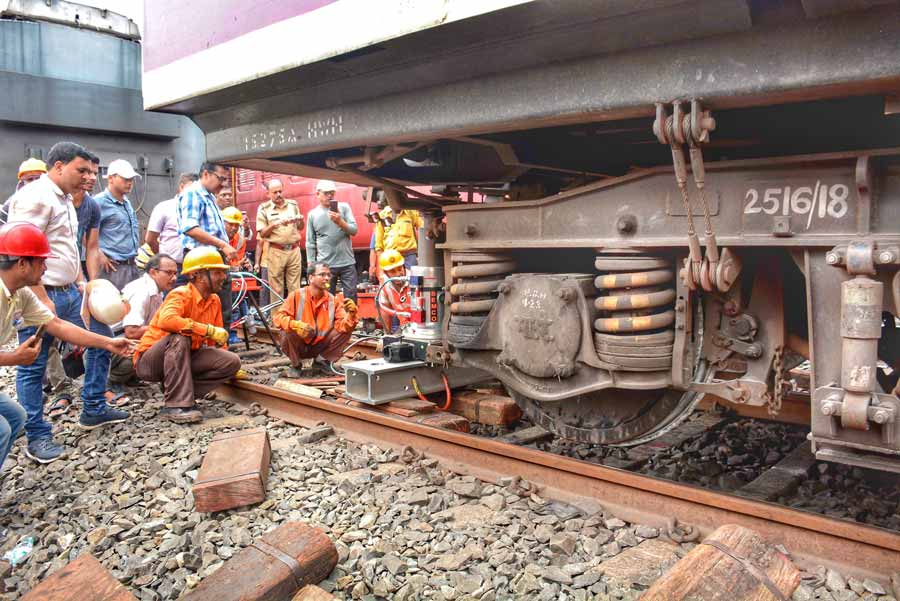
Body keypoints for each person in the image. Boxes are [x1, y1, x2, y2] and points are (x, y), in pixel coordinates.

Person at [7, 142, 134, 463]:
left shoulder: (67, 200)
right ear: (59, 166)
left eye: (92, 171)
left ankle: (92, 406)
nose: (89, 177)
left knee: (103, 340)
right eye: (82, 170)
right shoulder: (34, 196)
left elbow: (69, 249)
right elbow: (21, 251)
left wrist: (84, 285)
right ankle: (36, 435)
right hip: (39, 294)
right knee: (32, 363)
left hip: (70, 289)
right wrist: (42, 298)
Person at [133, 246, 241, 423]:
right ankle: (175, 406)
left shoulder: (214, 300)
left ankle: (180, 391)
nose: (223, 277)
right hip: (149, 362)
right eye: (217, 272)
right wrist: (206, 330)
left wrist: (230, 365)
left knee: (231, 361)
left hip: (183, 356)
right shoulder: (180, 294)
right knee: (180, 336)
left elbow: (218, 341)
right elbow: (167, 321)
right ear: (196, 275)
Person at [177, 162, 238, 331]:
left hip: (215, 259)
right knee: (202, 311)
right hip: (201, 262)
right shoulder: (193, 194)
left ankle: (221, 350)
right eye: (221, 178)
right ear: (206, 174)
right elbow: (190, 228)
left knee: (222, 309)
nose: (223, 184)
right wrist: (222, 244)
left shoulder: (209, 196)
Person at [273, 261, 358, 375]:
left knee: (346, 331)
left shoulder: (333, 300)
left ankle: (322, 362)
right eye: (322, 275)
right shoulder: (296, 295)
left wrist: (351, 315)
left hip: (320, 347)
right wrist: (295, 325)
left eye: (328, 275)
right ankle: (296, 364)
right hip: (299, 345)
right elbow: (278, 318)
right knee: (286, 332)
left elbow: (343, 326)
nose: (327, 278)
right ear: (311, 278)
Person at [108, 253, 179, 386]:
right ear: (153, 272)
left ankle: (129, 378)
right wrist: (168, 328)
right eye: (169, 273)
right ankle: (111, 381)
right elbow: (132, 331)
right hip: (110, 344)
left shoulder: (157, 291)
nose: (174, 278)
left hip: (121, 340)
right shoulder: (142, 290)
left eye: (175, 273)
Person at [305, 180, 358, 302]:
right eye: (326, 193)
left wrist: (340, 222)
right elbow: (310, 242)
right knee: (326, 298)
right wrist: (311, 264)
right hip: (325, 265)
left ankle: (352, 320)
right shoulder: (313, 214)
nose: (330, 196)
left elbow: (354, 230)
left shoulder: (344, 208)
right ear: (318, 194)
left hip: (347, 262)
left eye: (332, 193)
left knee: (351, 296)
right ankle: (328, 321)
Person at [95, 159, 141, 290]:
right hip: (112, 268)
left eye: (131, 179)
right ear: (111, 178)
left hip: (131, 265)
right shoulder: (99, 203)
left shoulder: (126, 203)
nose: (130, 183)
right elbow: (84, 233)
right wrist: (99, 254)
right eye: (125, 179)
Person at [256, 179, 303, 300]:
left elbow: (301, 227)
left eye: (280, 191)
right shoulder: (264, 209)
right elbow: (262, 233)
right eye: (275, 192)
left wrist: (300, 220)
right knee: (276, 290)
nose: (278, 194)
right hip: (276, 251)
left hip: (294, 250)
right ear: (268, 194)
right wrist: (274, 224)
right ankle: (277, 319)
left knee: (295, 288)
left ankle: (295, 318)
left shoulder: (293, 205)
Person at [146, 173, 197, 271]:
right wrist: (164, 258)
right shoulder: (164, 208)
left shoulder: (199, 209)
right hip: (173, 267)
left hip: (195, 266)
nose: (193, 194)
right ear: (181, 187)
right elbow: (150, 239)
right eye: (191, 189)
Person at [374, 204, 423, 269]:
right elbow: (379, 244)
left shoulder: (411, 212)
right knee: (394, 279)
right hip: (391, 256)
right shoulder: (382, 215)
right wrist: (381, 267)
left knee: (412, 278)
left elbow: (423, 228)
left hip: (409, 255)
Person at [376, 250, 411, 333]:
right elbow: (385, 310)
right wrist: (387, 334)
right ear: (385, 273)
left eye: (400, 269)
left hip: (419, 327)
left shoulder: (414, 280)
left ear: (404, 266)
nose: (398, 274)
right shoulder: (385, 285)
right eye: (392, 271)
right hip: (404, 326)